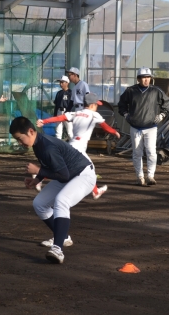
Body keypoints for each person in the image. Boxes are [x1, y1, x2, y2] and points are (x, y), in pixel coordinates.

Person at [10, 116, 97, 264]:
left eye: (20, 138)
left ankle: (57, 249)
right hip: (69, 176)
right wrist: (37, 179)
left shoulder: (47, 146)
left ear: (31, 131)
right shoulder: (38, 143)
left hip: (83, 175)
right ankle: (64, 237)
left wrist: (38, 170)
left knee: (62, 201)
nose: (19, 142)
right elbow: (51, 167)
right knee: (39, 203)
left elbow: (63, 175)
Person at [37, 92, 120, 199]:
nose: (97, 107)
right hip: (79, 147)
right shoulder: (94, 115)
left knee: (62, 166)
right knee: (89, 168)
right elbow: (105, 127)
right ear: (92, 105)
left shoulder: (76, 113)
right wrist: (115, 132)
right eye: (96, 105)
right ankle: (95, 192)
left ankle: (39, 178)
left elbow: (60, 118)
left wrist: (44, 121)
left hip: (71, 144)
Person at [118, 67, 169, 186]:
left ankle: (150, 176)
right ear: (138, 79)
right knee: (137, 153)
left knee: (151, 151)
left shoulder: (156, 91)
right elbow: (121, 104)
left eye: (148, 77)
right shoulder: (131, 91)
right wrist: (125, 114)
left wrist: (162, 115)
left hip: (151, 126)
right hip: (135, 126)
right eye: (143, 77)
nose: (146, 80)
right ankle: (140, 177)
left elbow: (166, 104)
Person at [53, 75, 74, 142]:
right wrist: (55, 115)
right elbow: (56, 105)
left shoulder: (70, 92)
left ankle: (73, 146)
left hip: (67, 112)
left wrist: (69, 113)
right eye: (60, 82)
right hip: (59, 111)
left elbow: (72, 104)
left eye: (62, 82)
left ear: (67, 83)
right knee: (58, 131)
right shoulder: (59, 93)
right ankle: (58, 146)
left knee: (70, 131)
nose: (61, 84)